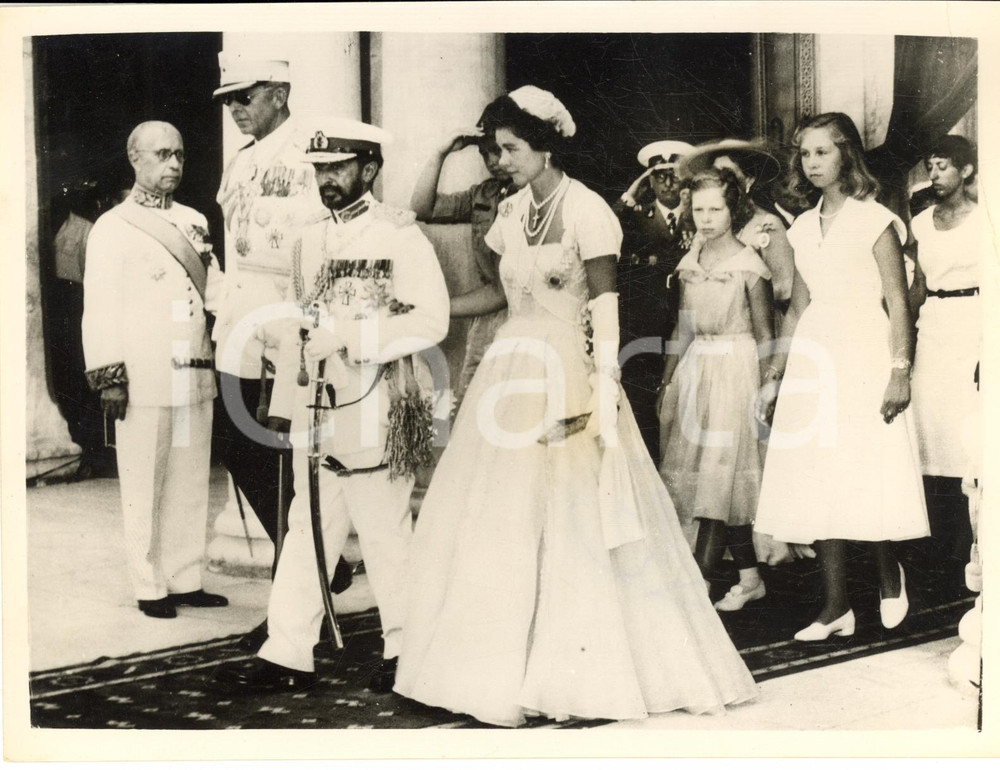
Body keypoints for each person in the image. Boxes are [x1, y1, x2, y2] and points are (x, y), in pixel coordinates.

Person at [394, 86, 757, 727]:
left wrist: (597, 396)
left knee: (573, 522)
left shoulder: (590, 211)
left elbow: (604, 312)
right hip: (510, 370)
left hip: (572, 370)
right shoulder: (507, 214)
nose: (499, 160)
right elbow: (500, 296)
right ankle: (495, 666)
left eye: (509, 149)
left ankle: (575, 675)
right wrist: (430, 313)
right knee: (498, 518)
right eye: (494, 150)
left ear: (546, 145)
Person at [212, 117, 450, 694]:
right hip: (315, 403)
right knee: (305, 526)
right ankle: (288, 650)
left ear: (369, 170)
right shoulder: (308, 237)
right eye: (320, 169)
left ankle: (405, 647)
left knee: (383, 530)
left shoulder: (399, 236)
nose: (328, 180)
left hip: (376, 398)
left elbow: (430, 319)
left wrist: (350, 338)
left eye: (339, 168)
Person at [754, 113, 929, 642]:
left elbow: (897, 302)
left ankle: (885, 571)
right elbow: (797, 306)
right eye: (805, 154)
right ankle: (835, 607)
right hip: (815, 353)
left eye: (823, 152)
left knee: (863, 468)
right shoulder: (803, 226)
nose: (812, 163)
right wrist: (776, 373)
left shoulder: (875, 219)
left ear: (846, 155)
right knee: (818, 474)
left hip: (865, 351)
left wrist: (900, 372)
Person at [210, 53, 351, 648]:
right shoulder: (241, 161)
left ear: (280, 91)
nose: (236, 109)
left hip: (289, 328)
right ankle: (324, 565)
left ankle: (289, 613)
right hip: (240, 322)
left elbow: (329, 239)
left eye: (246, 96)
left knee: (287, 464)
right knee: (235, 441)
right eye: (229, 101)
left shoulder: (310, 155)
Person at [82, 121, 228, 619]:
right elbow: (99, 308)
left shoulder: (194, 220)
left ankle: (186, 577)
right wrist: (109, 376)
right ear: (135, 159)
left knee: (190, 481)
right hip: (142, 376)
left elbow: (213, 290)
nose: (173, 165)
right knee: (143, 483)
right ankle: (149, 585)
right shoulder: (113, 227)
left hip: (194, 369)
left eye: (180, 156)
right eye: (162, 155)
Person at [656, 168, 774, 611]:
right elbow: (682, 327)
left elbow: (765, 333)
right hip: (697, 370)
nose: (706, 218)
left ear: (733, 210)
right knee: (708, 475)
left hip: (737, 369)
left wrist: (767, 389)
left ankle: (697, 578)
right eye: (699, 209)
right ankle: (749, 578)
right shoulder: (690, 262)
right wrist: (667, 380)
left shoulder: (749, 262)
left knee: (721, 473)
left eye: (716, 209)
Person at [908, 135, 981, 589]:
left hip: (974, 324)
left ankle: (967, 548)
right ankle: (937, 550)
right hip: (933, 327)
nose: (934, 176)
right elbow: (917, 287)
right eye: (930, 167)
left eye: (943, 167)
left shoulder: (985, 219)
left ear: (967, 171)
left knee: (965, 435)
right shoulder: (919, 223)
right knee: (929, 432)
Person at [410, 112, 517, 402]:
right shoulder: (486, 193)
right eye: (485, 153)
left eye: (499, 150)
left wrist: (435, 307)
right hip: (488, 319)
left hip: (520, 317)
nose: (493, 161)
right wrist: (440, 154)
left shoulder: (537, 197)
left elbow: (504, 291)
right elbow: (422, 209)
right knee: (475, 407)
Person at [612, 140, 695, 459]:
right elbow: (608, 222)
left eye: (674, 175)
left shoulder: (696, 215)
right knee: (645, 403)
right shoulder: (636, 216)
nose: (668, 183)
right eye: (659, 176)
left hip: (685, 319)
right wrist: (632, 193)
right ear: (650, 180)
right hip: (646, 325)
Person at [678, 138, 795, 305]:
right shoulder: (707, 226)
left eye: (728, 174)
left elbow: (785, 288)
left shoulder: (768, 225)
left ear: (748, 181)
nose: (721, 181)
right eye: (716, 173)